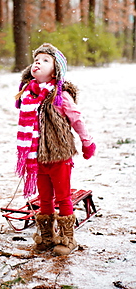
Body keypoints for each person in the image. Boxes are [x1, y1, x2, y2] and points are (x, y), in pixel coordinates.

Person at [15, 43, 96, 256]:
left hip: (58, 156)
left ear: (56, 69)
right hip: (37, 157)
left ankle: (68, 238)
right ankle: (47, 237)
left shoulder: (60, 95)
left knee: (62, 197)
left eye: (45, 60)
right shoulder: (28, 94)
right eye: (36, 60)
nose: (37, 63)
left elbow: (76, 119)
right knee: (44, 199)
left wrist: (87, 142)